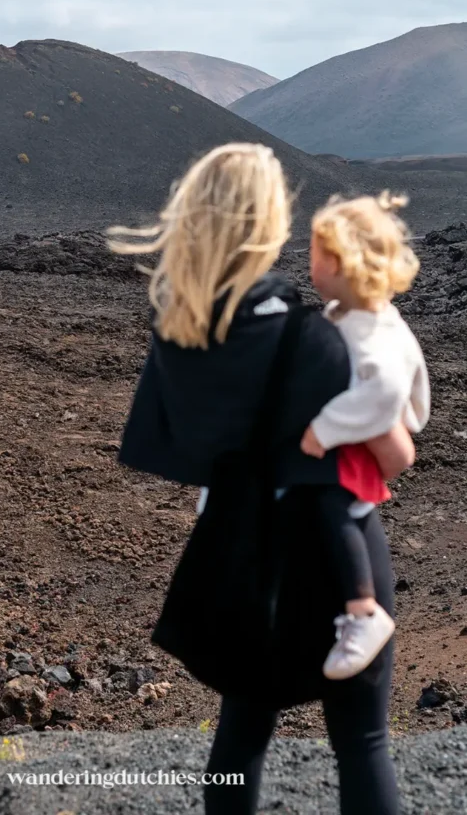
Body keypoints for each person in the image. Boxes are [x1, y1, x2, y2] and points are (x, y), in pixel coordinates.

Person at [110, 143, 414, 815]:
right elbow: (394, 455)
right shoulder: (311, 338)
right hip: (337, 560)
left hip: (238, 556)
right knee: (361, 743)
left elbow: (180, 447)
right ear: (269, 224)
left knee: (240, 737)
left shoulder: (179, 333)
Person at [300, 193, 430, 680]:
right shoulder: (353, 314)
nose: (309, 264)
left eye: (315, 254)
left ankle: (362, 610)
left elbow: (385, 393)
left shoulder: (371, 330)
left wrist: (324, 428)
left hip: (357, 444)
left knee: (335, 505)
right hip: (363, 438)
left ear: (337, 262)